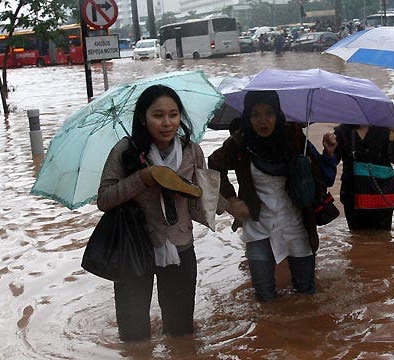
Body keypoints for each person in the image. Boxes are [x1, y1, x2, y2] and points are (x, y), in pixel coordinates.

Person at [97, 85, 210, 341]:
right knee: (134, 337)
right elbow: (104, 199)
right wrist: (143, 178)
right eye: (158, 115)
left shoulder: (192, 151)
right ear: (142, 118)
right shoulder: (125, 151)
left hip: (180, 247)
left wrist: (194, 193)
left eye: (173, 114)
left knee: (181, 334)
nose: (167, 123)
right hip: (133, 249)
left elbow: (203, 204)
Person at [208, 90, 335, 302]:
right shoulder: (240, 143)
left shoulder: (294, 138)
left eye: (269, 113)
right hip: (257, 226)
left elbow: (324, 179)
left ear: (278, 114)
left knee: (306, 294)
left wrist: (326, 155)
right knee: (264, 298)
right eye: (255, 114)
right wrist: (231, 201)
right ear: (247, 117)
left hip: (297, 225)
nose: (263, 121)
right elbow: (213, 167)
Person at [328, 124, 394, 231]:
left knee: (383, 238)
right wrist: (329, 150)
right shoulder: (342, 131)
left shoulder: (386, 129)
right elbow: (333, 161)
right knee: (357, 237)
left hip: (382, 193)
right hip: (352, 195)